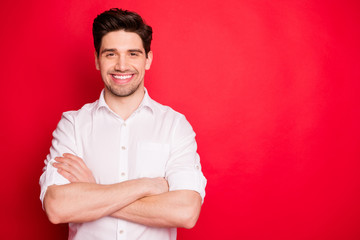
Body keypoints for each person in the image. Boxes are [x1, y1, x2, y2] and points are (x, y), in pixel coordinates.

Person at [39, 8, 207, 240]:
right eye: (110, 54)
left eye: (133, 54)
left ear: (148, 59)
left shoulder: (175, 125)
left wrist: (94, 192)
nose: (121, 65)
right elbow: (58, 208)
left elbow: (186, 212)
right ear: (97, 60)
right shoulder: (73, 125)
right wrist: (147, 186)